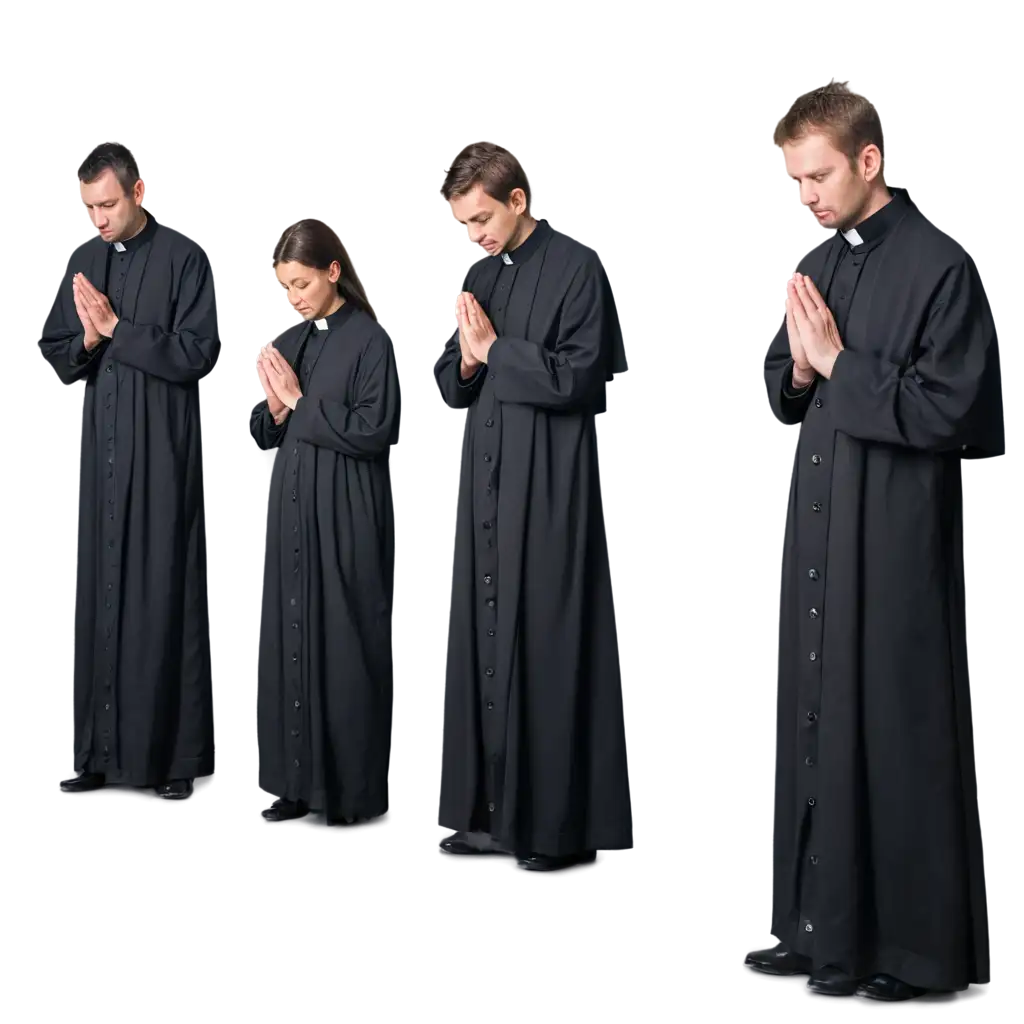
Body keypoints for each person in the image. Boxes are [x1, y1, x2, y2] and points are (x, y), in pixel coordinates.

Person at [750, 83, 1002, 1000]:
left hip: (894, 531)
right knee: (818, 723)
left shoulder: (939, 265)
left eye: (815, 175)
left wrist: (838, 366)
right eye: (791, 179)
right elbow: (780, 376)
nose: (802, 196)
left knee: (895, 730)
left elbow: (950, 409)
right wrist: (804, 372)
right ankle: (817, 928)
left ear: (868, 162)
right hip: (819, 522)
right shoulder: (812, 255)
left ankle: (912, 953)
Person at [431, 141, 632, 873]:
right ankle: (490, 813)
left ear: (517, 202)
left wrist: (493, 351)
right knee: (484, 645)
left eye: (480, 218)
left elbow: (580, 374)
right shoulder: (477, 274)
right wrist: (465, 358)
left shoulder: (576, 267)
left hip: (547, 484)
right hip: (484, 483)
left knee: (545, 647)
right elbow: (450, 380)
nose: (471, 236)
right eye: (460, 225)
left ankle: (549, 828)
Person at [32, 136, 220, 799]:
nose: (98, 220)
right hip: (102, 462)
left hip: (163, 457)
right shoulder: (84, 260)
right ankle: (97, 751)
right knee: (100, 606)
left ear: (141, 192)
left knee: (161, 603)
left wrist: (117, 330)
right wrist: (87, 336)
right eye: (88, 208)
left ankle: (171, 761)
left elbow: (197, 355)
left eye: (107, 204)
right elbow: (55, 353)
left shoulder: (184, 259)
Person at [250, 216, 398, 826]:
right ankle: (292, 783)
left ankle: (348, 795)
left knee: (343, 644)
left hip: (345, 511)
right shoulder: (289, 340)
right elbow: (262, 432)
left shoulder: (369, 340)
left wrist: (300, 405)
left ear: (332, 272)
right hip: (289, 510)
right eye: (283, 288)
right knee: (289, 640)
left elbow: (372, 431)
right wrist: (273, 406)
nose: (291, 299)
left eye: (300, 284)